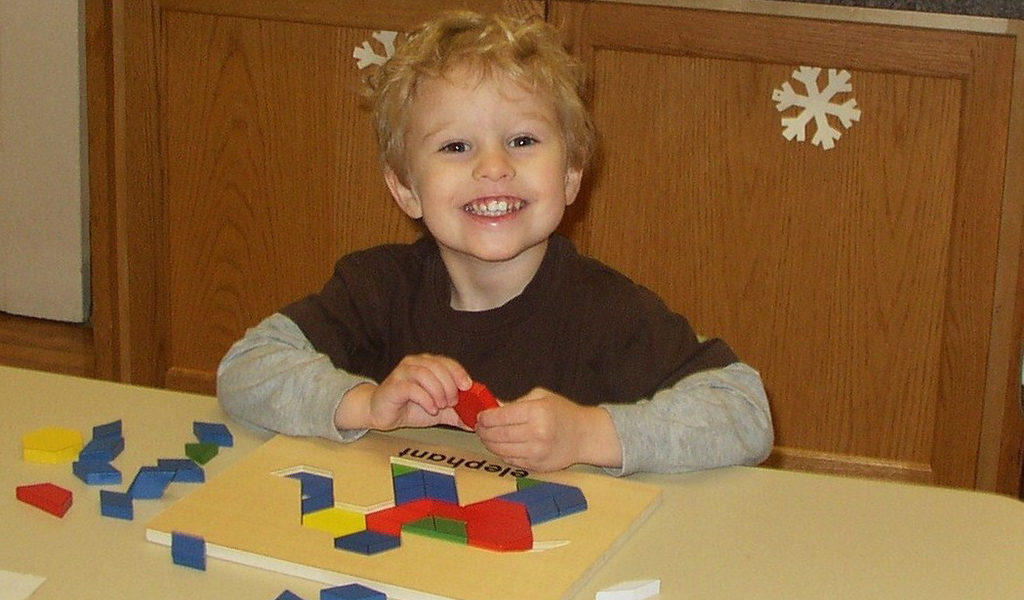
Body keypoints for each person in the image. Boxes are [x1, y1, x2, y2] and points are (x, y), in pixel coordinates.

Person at [217, 10, 773, 476]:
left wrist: (590, 434)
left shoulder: (605, 310)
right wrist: (365, 404)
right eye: (456, 146)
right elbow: (246, 368)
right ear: (405, 187)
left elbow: (745, 413)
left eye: (523, 140)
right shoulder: (376, 288)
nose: (493, 167)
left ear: (572, 175)